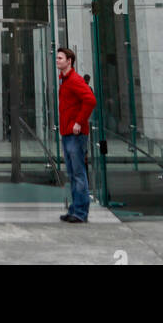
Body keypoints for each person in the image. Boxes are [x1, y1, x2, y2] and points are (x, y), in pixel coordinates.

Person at [56, 46, 96, 224]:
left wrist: (79, 122)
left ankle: (81, 212)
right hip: (67, 133)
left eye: (60, 58)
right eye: (57, 58)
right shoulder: (64, 80)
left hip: (75, 134)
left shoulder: (74, 80)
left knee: (78, 173)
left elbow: (90, 100)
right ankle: (75, 209)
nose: (57, 61)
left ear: (69, 61)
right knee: (73, 173)